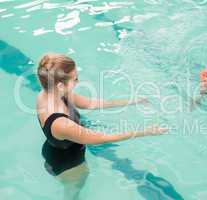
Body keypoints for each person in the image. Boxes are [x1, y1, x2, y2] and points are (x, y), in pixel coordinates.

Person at [36, 53, 167, 200]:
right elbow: (103, 138)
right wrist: (146, 132)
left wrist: (132, 101)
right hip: (68, 164)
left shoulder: (50, 92)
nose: (78, 81)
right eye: (75, 79)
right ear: (60, 85)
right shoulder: (61, 124)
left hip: (58, 147)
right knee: (73, 193)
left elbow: (89, 103)